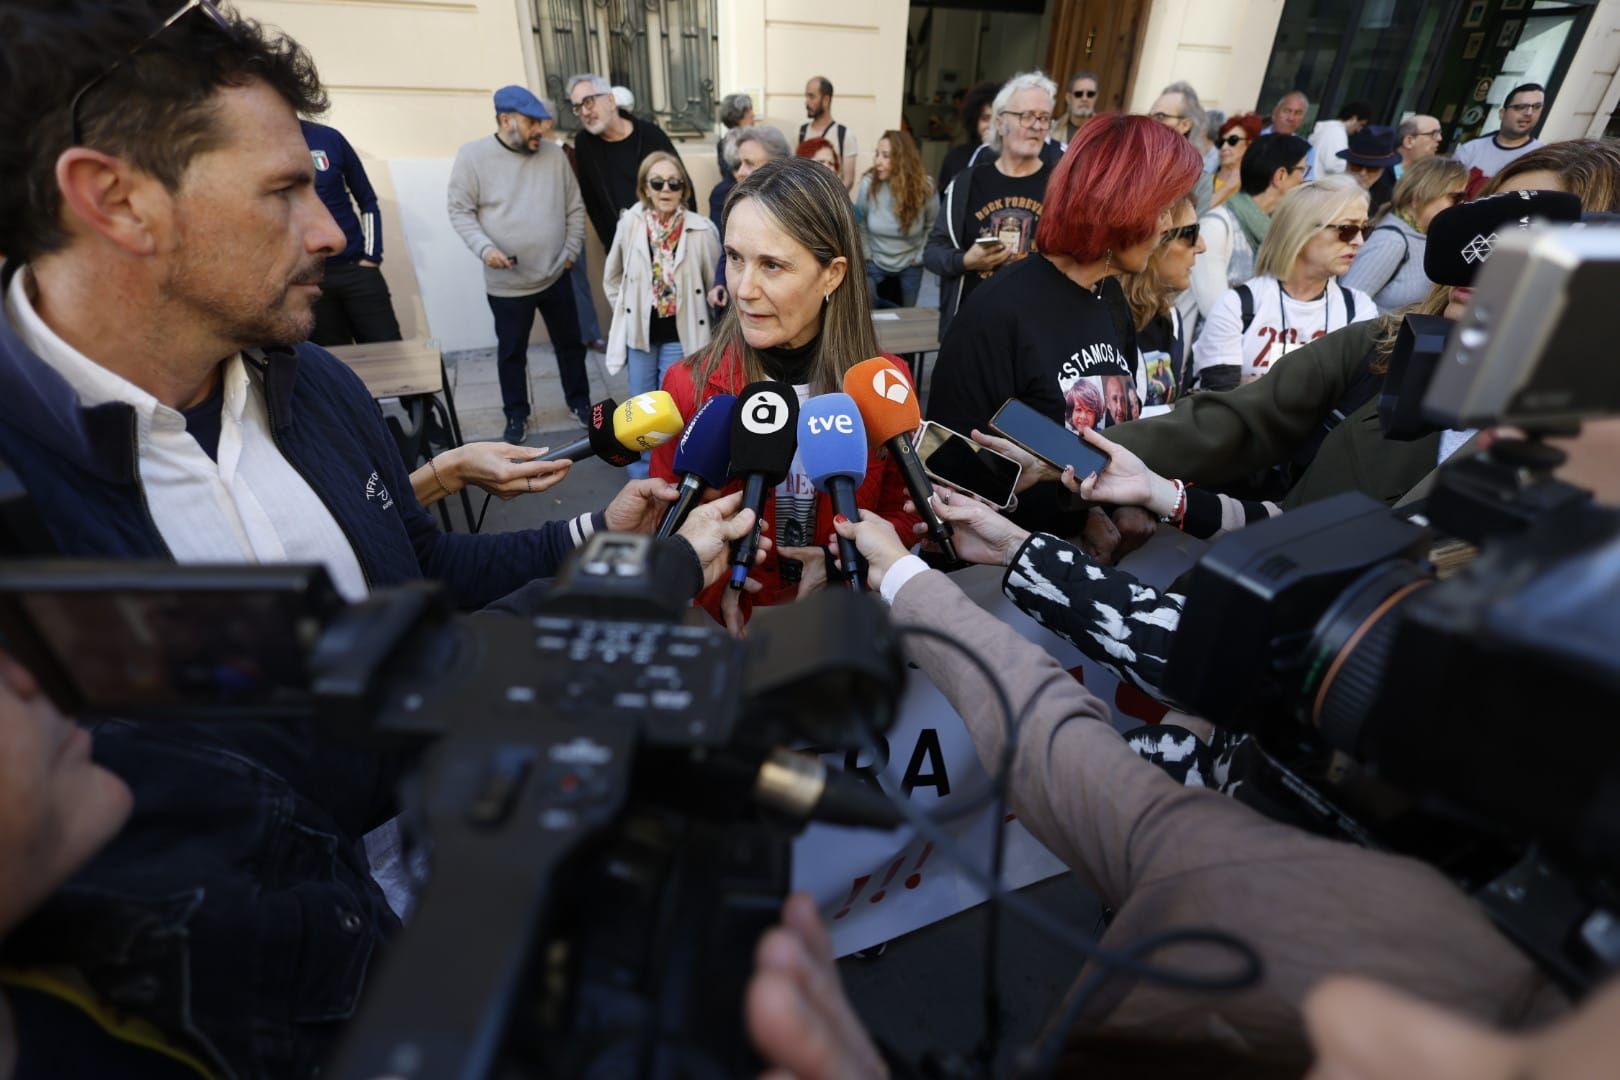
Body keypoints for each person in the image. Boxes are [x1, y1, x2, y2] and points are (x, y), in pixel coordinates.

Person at [0, 5, 748, 1071]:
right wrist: (650, 581)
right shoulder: (23, 500)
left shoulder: (323, 387)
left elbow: (424, 583)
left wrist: (595, 532)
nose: (333, 231)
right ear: (114, 198)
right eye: (284, 189)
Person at [744, 507, 1575, 1075]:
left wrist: (905, 583)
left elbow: (1055, 746)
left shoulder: (1275, 901)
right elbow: (1201, 652)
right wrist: (1023, 552)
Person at [651, 158, 919, 632]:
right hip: (733, 634)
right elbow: (667, 528)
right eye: (734, 258)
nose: (743, 289)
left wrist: (839, 568)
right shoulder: (689, 386)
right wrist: (720, 591)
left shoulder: (884, 384)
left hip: (838, 625)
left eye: (772, 265)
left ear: (832, 274)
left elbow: (903, 511)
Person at [926, 115, 1203, 532]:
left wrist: (1096, 512)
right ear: (1122, 204)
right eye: (1161, 209)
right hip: (1001, 568)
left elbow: (1103, 434)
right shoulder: (997, 313)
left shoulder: (1109, 298)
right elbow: (951, 466)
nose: (1166, 226)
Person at [449, 85, 589, 442]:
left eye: (542, 123)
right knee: (512, 354)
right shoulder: (472, 156)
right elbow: (460, 210)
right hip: (507, 283)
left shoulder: (554, 156)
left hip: (556, 274)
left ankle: (580, 403)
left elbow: (574, 206)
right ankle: (516, 415)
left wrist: (570, 252)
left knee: (570, 345)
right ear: (505, 119)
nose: (539, 131)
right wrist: (484, 248)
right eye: (531, 123)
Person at [1194, 175, 1377, 391]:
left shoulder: (1358, 309)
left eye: (1364, 229)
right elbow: (1220, 397)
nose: (1359, 241)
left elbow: (1355, 397)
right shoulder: (1238, 304)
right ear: (1301, 231)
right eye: (1347, 229)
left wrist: (1256, 386)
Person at [602, 151, 720, 478]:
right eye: (657, 182)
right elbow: (612, 278)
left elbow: (716, 284)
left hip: (681, 336)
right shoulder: (630, 223)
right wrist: (626, 313)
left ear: (684, 189)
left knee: (673, 409)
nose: (666, 189)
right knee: (639, 411)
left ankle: (671, 474)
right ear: (645, 188)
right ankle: (641, 479)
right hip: (640, 335)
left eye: (674, 183)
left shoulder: (701, 230)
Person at [923, 71, 1059, 340]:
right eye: (1026, 115)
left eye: (1044, 118)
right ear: (1000, 121)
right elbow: (932, 252)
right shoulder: (967, 182)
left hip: (1034, 335)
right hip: (972, 331)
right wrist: (965, 260)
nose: (1036, 125)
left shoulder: (1061, 187)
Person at [299, 119, 403, 346]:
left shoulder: (328, 137)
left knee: (388, 352)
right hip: (308, 278)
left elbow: (367, 200)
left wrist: (371, 258)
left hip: (356, 270)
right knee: (334, 363)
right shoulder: (260, 145)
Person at [1188, 132, 1309, 324]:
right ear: (1280, 176)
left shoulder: (1276, 231)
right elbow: (1216, 312)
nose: (1303, 180)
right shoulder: (1217, 227)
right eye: (1302, 170)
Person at [567, 72, 691, 250]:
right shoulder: (584, 144)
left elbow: (682, 185)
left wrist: (684, 239)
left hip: (668, 243)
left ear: (610, 100)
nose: (584, 112)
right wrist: (612, 243)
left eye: (588, 102)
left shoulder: (650, 135)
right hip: (625, 248)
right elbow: (592, 200)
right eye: (578, 107)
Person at [1341, 155, 1468, 314]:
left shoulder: (1425, 237)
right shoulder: (1392, 242)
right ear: (1420, 195)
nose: (1461, 205)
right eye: (1455, 197)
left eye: (1464, 198)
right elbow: (1345, 308)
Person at [1120, 197, 1206, 415]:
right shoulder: (1106, 313)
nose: (1202, 246)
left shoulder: (1170, 316)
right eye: (1190, 233)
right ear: (1152, 239)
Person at [708, 124, 792, 312]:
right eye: (739, 164)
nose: (740, 172)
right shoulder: (736, 204)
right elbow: (728, 251)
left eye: (749, 163)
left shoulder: (797, 212)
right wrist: (720, 282)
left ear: (777, 166)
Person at [855, 129, 937, 309]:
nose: (878, 161)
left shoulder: (925, 188)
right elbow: (859, 222)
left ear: (902, 158)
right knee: (871, 318)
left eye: (885, 156)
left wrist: (920, 256)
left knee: (905, 318)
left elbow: (932, 226)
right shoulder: (869, 185)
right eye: (877, 154)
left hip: (911, 264)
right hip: (875, 263)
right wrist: (867, 253)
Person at [1454, 83, 1546, 193]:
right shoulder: (1471, 149)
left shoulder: (1542, 156)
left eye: (1536, 107)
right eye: (1520, 107)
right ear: (1502, 113)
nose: (1529, 113)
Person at [1148, 82, 1216, 213]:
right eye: (1149, 116)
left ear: (1185, 125)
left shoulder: (1199, 181)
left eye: (1160, 116)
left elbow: (1189, 230)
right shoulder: (1134, 162)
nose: (1151, 123)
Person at [936, 80, 1000, 199]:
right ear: (975, 120)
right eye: (985, 118)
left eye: (996, 119)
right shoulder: (956, 157)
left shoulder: (1015, 159)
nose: (991, 125)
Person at [799, 75, 858, 190]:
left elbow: (848, 180)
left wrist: (830, 203)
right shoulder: (800, 132)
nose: (806, 102)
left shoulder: (845, 135)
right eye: (806, 96)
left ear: (826, 100)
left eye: (812, 97)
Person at [1338, 124, 1402, 216]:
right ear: (1347, 164)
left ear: (1382, 170)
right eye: (1356, 166)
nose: (1362, 173)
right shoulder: (1327, 191)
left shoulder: (1388, 199)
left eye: (1372, 169)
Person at [1208, 112, 1262, 211]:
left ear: (1249, 144)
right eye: (1221, 142)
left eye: (1233, 140)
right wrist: (1228, 187)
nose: (1224, 147)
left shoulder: (1255, 187)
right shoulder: (1204, 179)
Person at [1309, 100, 1371, 176]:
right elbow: (1334, 165)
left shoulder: (1328, 129)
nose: (1359, 130)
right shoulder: (1337, 132)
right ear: (1354, 118)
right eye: (1361, 124)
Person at [1262, 89, 1314, 177]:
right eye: (1287, 111)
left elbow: (1306, 181)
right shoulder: (1254, 137)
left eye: (1298, 113)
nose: (1291, 118)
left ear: (1303, 119)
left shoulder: (1306, 150)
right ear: (1275, 113)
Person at [715, 91, 755, 183]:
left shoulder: (758, 139)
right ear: (736, 115)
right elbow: (728, 175)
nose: (753, 114)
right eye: (747, 110)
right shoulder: (724, 144)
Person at [1395, 112, 1443, 177]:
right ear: (1409, 141)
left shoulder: (1428, 178)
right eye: (1434, 133)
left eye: (1439, 133)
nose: (1440, 138)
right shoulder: (1380, 175)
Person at [1058, 70, 1099, 145]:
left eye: (1090, 94)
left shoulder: (1104, 132)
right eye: (1078, 94)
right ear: (1068, 98)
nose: (1084, 99)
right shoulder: (1052, 130)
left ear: (1096, 97)